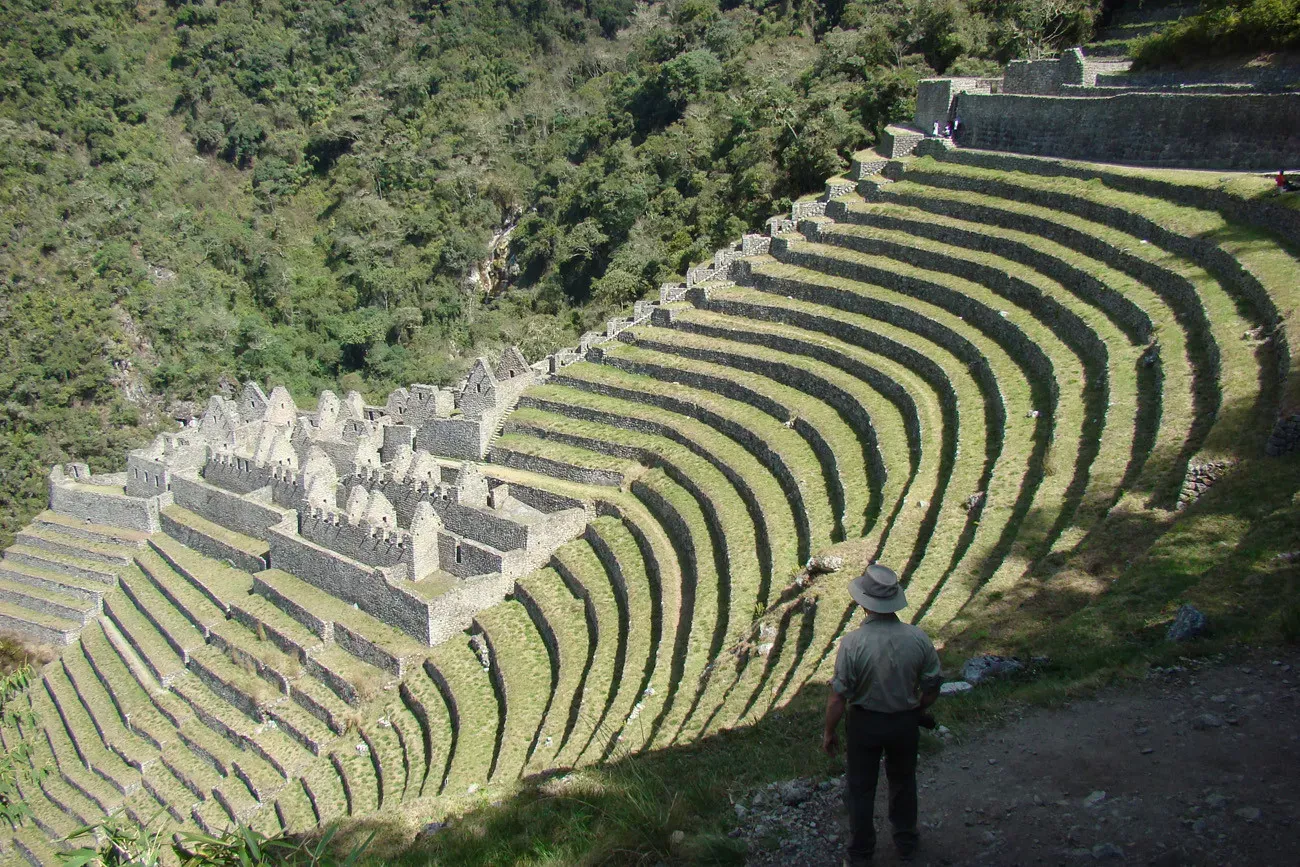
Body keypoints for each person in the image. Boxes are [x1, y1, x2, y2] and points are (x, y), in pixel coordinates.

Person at [823, 564, 943, 864]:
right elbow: (932, 684)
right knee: (903, 780)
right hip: (904, 722)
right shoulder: (918, 638)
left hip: (864, 723)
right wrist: (920, 707)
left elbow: (838, 696)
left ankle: (861, 852)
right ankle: (906, 840)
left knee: (861, 787)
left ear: (864, 604)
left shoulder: (852, 643)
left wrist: (829, 732)